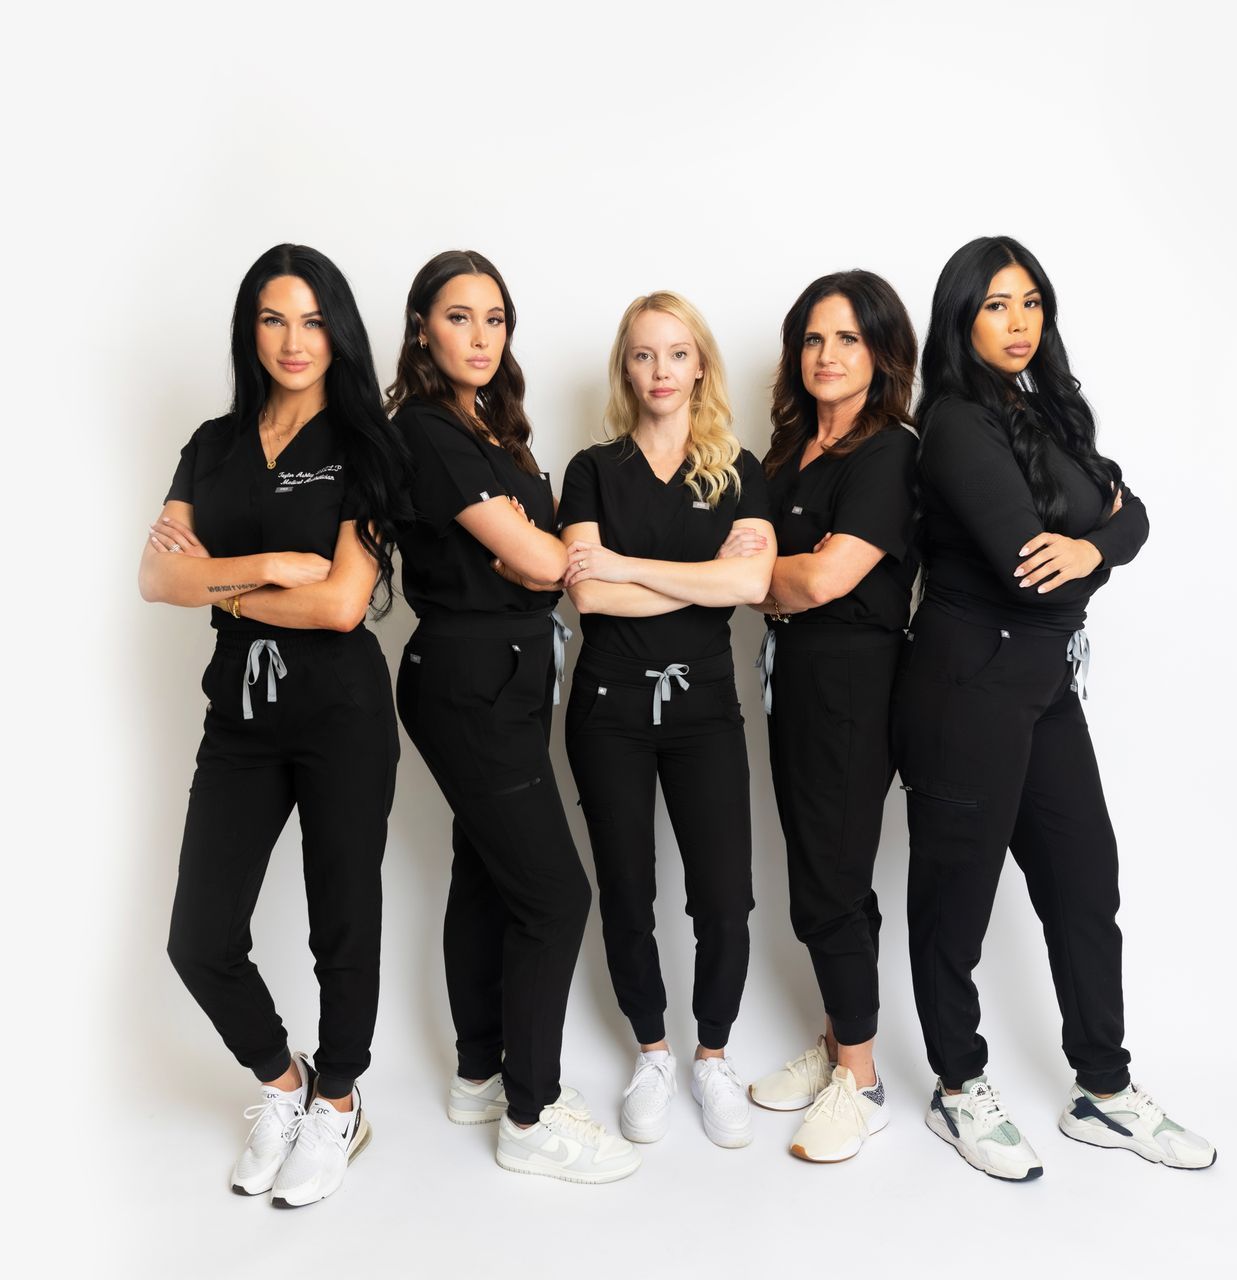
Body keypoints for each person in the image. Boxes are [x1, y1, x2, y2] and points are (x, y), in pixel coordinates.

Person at [894, 235, 1216, 1180]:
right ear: (962, 318)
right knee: (956, 902)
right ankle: (960, 1090)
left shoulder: (1044, 412)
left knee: (1085, 883)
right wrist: (1096, 537)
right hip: (966, 691)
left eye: (1031, 301)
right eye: (996, 305)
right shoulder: (954, 424)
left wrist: (1092, 547)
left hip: (1041, 689)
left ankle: (1101, 1090)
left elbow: (1138, 514)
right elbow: (1029, 571)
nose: (1020, 320)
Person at [140, 243, 410, 1208]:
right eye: (272, 319)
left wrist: (224, 581)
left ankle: (339, 1101)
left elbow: (343, 606)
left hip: (340, 713)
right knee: (198, 936)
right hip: (241, 718)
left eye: (310, 320)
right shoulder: (211, 445)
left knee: (344, 923)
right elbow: (153, 577)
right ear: (249, 330)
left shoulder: (369, 444)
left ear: (337, 329)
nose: (293, 342)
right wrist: (273, 568)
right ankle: (283, 1083)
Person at [386, 249, 638, 1183]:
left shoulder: (488, 428)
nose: (481, 337)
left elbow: (547, 546)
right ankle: (532, 1115)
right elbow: (542, 563)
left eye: (495, 319)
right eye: (459, 317)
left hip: (512, 669)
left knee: (489, 872)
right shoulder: (426, 430)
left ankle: (481, 1074)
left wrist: (536, 552)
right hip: (467, 675)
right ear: (422, 327)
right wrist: (533, 556)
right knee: (556, 893)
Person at [557, 292, 775, 1150]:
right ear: (626, 367)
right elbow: (589, 595)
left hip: (705, 712)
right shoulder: (589, 469)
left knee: (726, 896)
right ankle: (653, 1052)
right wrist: (692, 573)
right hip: (608, 709)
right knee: (628, 891)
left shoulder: (738, 468)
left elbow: (751, 587)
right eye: (644, 355)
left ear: (700, 365)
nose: (660, 372)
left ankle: (712, 1056)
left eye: (676, 354)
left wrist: (626, 563)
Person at [743, 271, 919, 1163]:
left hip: (857, 684)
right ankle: (836, 1040)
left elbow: (818, 579)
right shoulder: (786, 455)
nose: (826, 355)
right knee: (816, 862)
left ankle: (864, 1078)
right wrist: (767, 579)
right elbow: (764, 573)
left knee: (833, 880)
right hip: (792, 680)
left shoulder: (891, 453)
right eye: (813, 339)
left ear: (882, 352)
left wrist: (760, 580)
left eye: (847, 339)